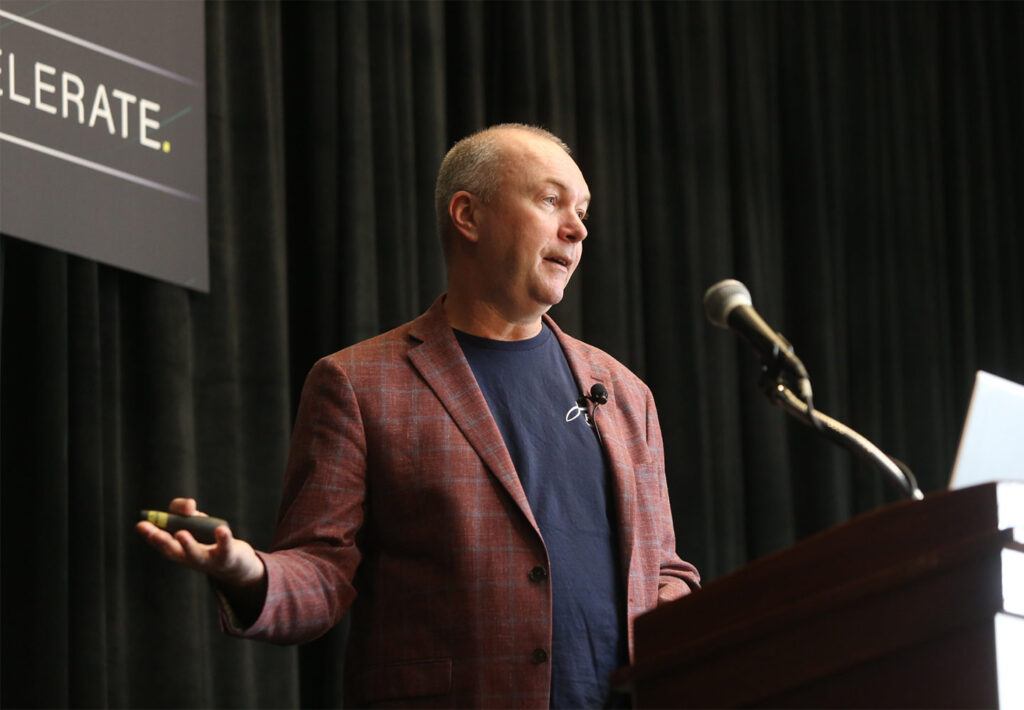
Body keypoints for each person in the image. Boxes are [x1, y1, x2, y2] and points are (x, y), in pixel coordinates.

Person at [138, 124, 700, 708]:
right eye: (550, 200)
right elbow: (321, 570)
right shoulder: (360, 383)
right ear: (468, 215)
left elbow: (665, 572)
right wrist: (248, 572)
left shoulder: (624, 393)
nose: (578, 228)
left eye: (582, 211)